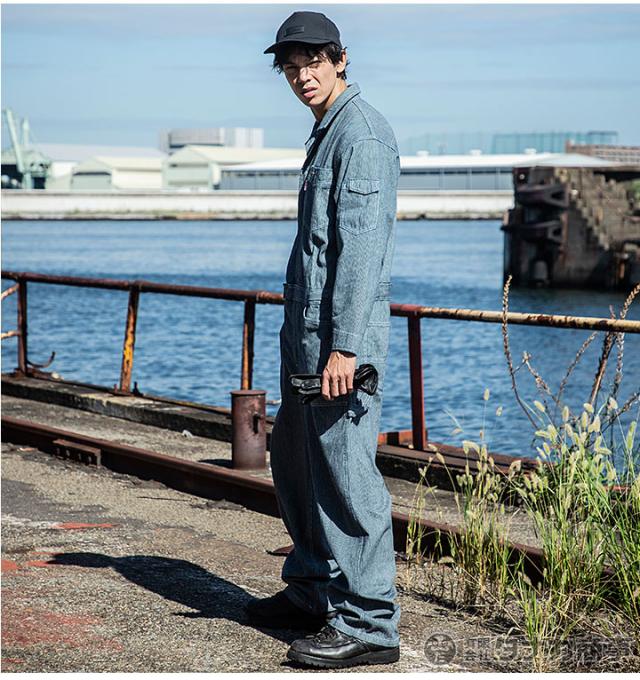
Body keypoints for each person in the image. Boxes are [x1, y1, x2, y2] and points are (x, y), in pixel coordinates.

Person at [246, 10, 401, 669]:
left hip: (338, 346)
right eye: (290, 67)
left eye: (312, 62)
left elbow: (360, 254)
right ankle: (313, 590)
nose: (301, 76)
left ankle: (369, 625)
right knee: (298, 463)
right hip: (306, 339)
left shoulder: (360, 135)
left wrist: (345, 348)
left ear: (340, 60)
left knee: (345, 476)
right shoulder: (328, 130)